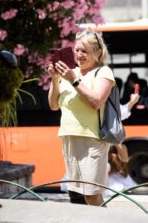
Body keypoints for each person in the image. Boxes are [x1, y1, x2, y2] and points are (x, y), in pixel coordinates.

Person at [48, 30, 114, 206]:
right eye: (76, 50)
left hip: (91, 141)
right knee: (77, 195)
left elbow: (96, 101)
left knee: (92, 195)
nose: (79, 55)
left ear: (98, 52)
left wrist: (74, 81)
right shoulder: (70, 73)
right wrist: (55, 80)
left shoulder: (103, 72)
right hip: (69, 139)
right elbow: (54, 105)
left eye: (84, 51)